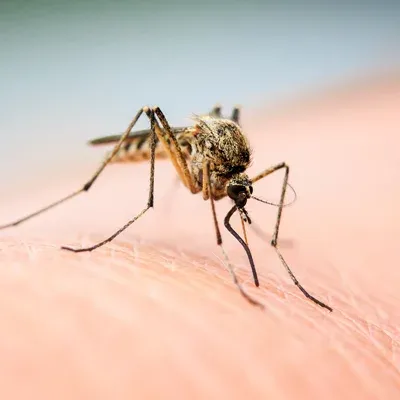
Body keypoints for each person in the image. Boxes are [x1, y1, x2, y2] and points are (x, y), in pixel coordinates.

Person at [0, 75, 398, 399]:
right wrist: (227, 254)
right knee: (150, 111)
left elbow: (266, 171)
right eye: (239, 193)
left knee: (273, 162)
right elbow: (205, 178)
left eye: (240, 192)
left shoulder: (239, 169)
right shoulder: (213, 166)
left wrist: (270, 239)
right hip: (180, 144)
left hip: (213, 152)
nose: (238, 199)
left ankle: (271, 248)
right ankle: (93, 193)